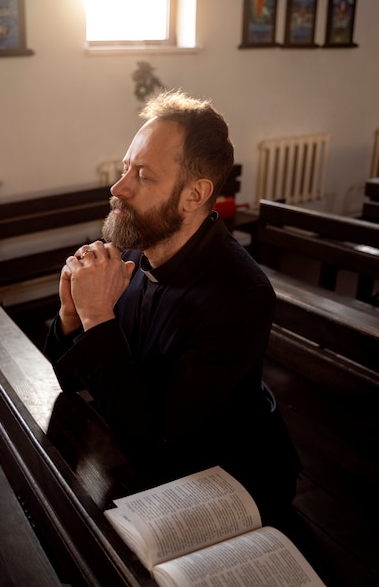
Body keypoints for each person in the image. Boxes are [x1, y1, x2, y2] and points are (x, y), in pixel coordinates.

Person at [44, 90, 300, 525]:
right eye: (126, 166)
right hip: (146, 452)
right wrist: (73, 313)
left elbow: (157, 445)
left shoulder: (241, 295)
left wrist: (99, 318)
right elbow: (69, 381)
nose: (118, 187)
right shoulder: (132, 253)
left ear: (194, 194)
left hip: (228, 476)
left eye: (142, 174)